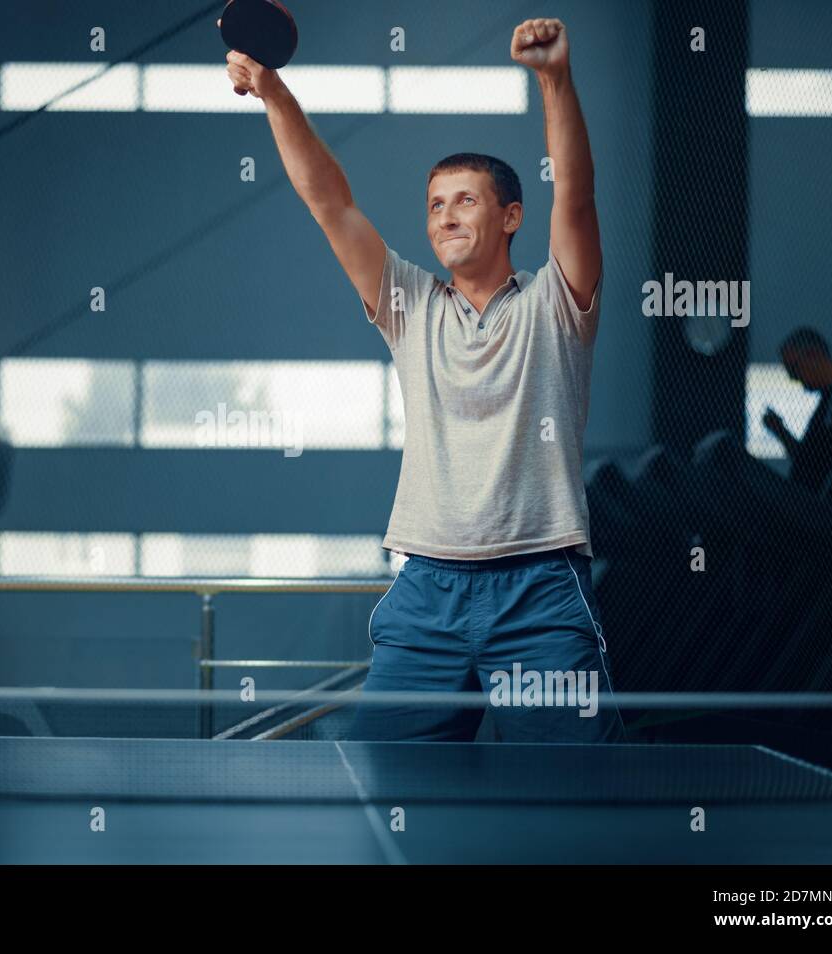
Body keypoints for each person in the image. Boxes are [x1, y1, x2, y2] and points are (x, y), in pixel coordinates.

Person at [223, 18, 623, 742]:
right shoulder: (409, 308)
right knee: (392, 791)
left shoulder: (554, 305)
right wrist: (273, 91)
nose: (444, 216)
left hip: (540, 589)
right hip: (426, 591)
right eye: (435, 205)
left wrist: (554, 80)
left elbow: (579, 198)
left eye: (465, 200)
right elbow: (329, 202)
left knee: (570, 788)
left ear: (511, 216)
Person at [762, 328, 832, 516]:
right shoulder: (829, 401)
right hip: (816, 518)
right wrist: (780, 431)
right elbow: (813, 462)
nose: (793, 378)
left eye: (793, 368)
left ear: (813, 355)